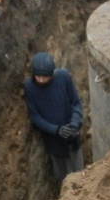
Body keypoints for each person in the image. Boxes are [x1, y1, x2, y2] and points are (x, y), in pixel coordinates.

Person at [23, 52, 84, 181]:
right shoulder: (30, 87)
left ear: (52, 73)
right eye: (38, 76)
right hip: (54, 142)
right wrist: (56, 130)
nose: (41, 80)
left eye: (45, 77)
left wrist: (74, 125)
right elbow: (35, 117)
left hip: (73, 139)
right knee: (63, 179)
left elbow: (76, 104)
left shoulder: (63, 77)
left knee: (81, 177)